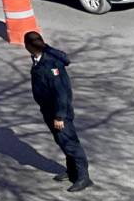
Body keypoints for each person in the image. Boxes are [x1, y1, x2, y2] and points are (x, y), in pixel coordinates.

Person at [24, 31, 92, 192]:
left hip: (59, 113)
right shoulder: (40, 57)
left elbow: (61, 92)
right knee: (62, 142)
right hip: (49, 110)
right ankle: (72, 171)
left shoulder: (51, 64)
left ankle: (83, 177)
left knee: (70, 144)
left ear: (28, 46)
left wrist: (60, 116)